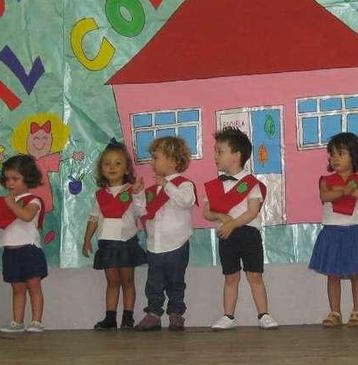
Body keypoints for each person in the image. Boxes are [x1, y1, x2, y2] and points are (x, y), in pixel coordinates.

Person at [203, 127, 279, 330]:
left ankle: (263, 314)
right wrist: (221, 216)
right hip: (226, 236)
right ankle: (228, 316)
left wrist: (233, 223)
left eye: (220, 151)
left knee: (254, 275)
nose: (215, 156)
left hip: (248, 234)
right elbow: (207, 212)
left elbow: (253, 211)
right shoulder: (214, 186)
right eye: (215, 151)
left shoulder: (250, 183)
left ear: (236, 155)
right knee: (230, 277)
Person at [308, 132, 358, 328]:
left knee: (357, 274)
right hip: (331, 232)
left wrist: (350, 190)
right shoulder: (326, 180)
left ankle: (357, 312)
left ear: (354, 155)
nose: (334, 158)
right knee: (333, 274)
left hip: (353, 233)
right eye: (332, 154)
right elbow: (325, 196)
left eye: (340, 153)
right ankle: (335, 311)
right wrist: (342, 191)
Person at [0, 154, 48, 333]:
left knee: (34, 286)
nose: (10, 183)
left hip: (29, 250)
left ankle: (36, 321)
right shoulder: (6, 202)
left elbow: (26, 215)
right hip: (10, 251)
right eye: (7, 179)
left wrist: (10, 204)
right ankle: (17, 322)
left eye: (15, 179)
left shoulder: (33, 200)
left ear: (28, 178)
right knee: (17, 287)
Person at [82, 140, 147, 330]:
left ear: (126, 168)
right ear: (101, 169)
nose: (112, 167)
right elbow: (94, 218)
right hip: (107, 245)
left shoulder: (131, 190)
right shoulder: (100, 194)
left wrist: (136, 194)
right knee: (112, 282)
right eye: (107, 163)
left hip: (126, 243)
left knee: (127, 281)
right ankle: (110, 317)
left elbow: (140, 211)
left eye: (118, 163)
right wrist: (86, 240)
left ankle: (128, 317)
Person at [134, 137, 195, 332]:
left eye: (156, 157)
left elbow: (186, 201)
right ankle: (153, 314)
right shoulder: (152, 190)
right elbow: (142, 212)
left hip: (177, 244)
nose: (152, 162)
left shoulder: (185, 185)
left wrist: (167, 186)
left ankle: (176, 314)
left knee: (176, 282)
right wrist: (138, 195)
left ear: (173, 160)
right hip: (155, 245)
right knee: (154, 283)